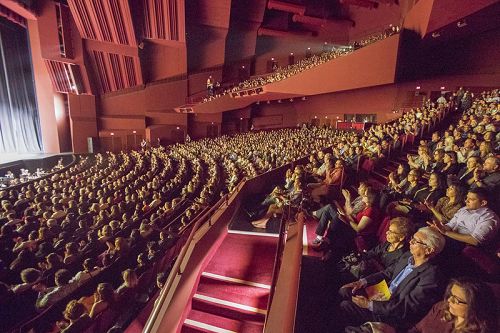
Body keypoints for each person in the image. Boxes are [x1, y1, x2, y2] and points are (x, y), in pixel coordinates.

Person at [337, 227, 446, 331]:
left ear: (429, 250)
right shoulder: (407, 256)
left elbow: (406, 307)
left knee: (346, 306)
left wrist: (369, 304)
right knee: (345, 290)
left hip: (391, 314)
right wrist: (362, 282)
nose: (410, 242)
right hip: (380, 294)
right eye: (412, 238)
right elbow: (387, 273)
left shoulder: (431, 276)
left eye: (416, 241)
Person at [407, 277, 497, 333]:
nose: (449, 300)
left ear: (474, 306)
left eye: (456, 300)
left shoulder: (485, 329)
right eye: (450, 295)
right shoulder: (440, 308)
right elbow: (416, 329)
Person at [429, 187, 499, 252]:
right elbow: (450, 225)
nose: (466, 201)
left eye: (471, 199)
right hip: (450, 237)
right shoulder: (464, 209)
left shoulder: (489, 217)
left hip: (465, 246)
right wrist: (439, 228)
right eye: (466, 198)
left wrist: (445, 232)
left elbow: (475, 240)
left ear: (483, 203)